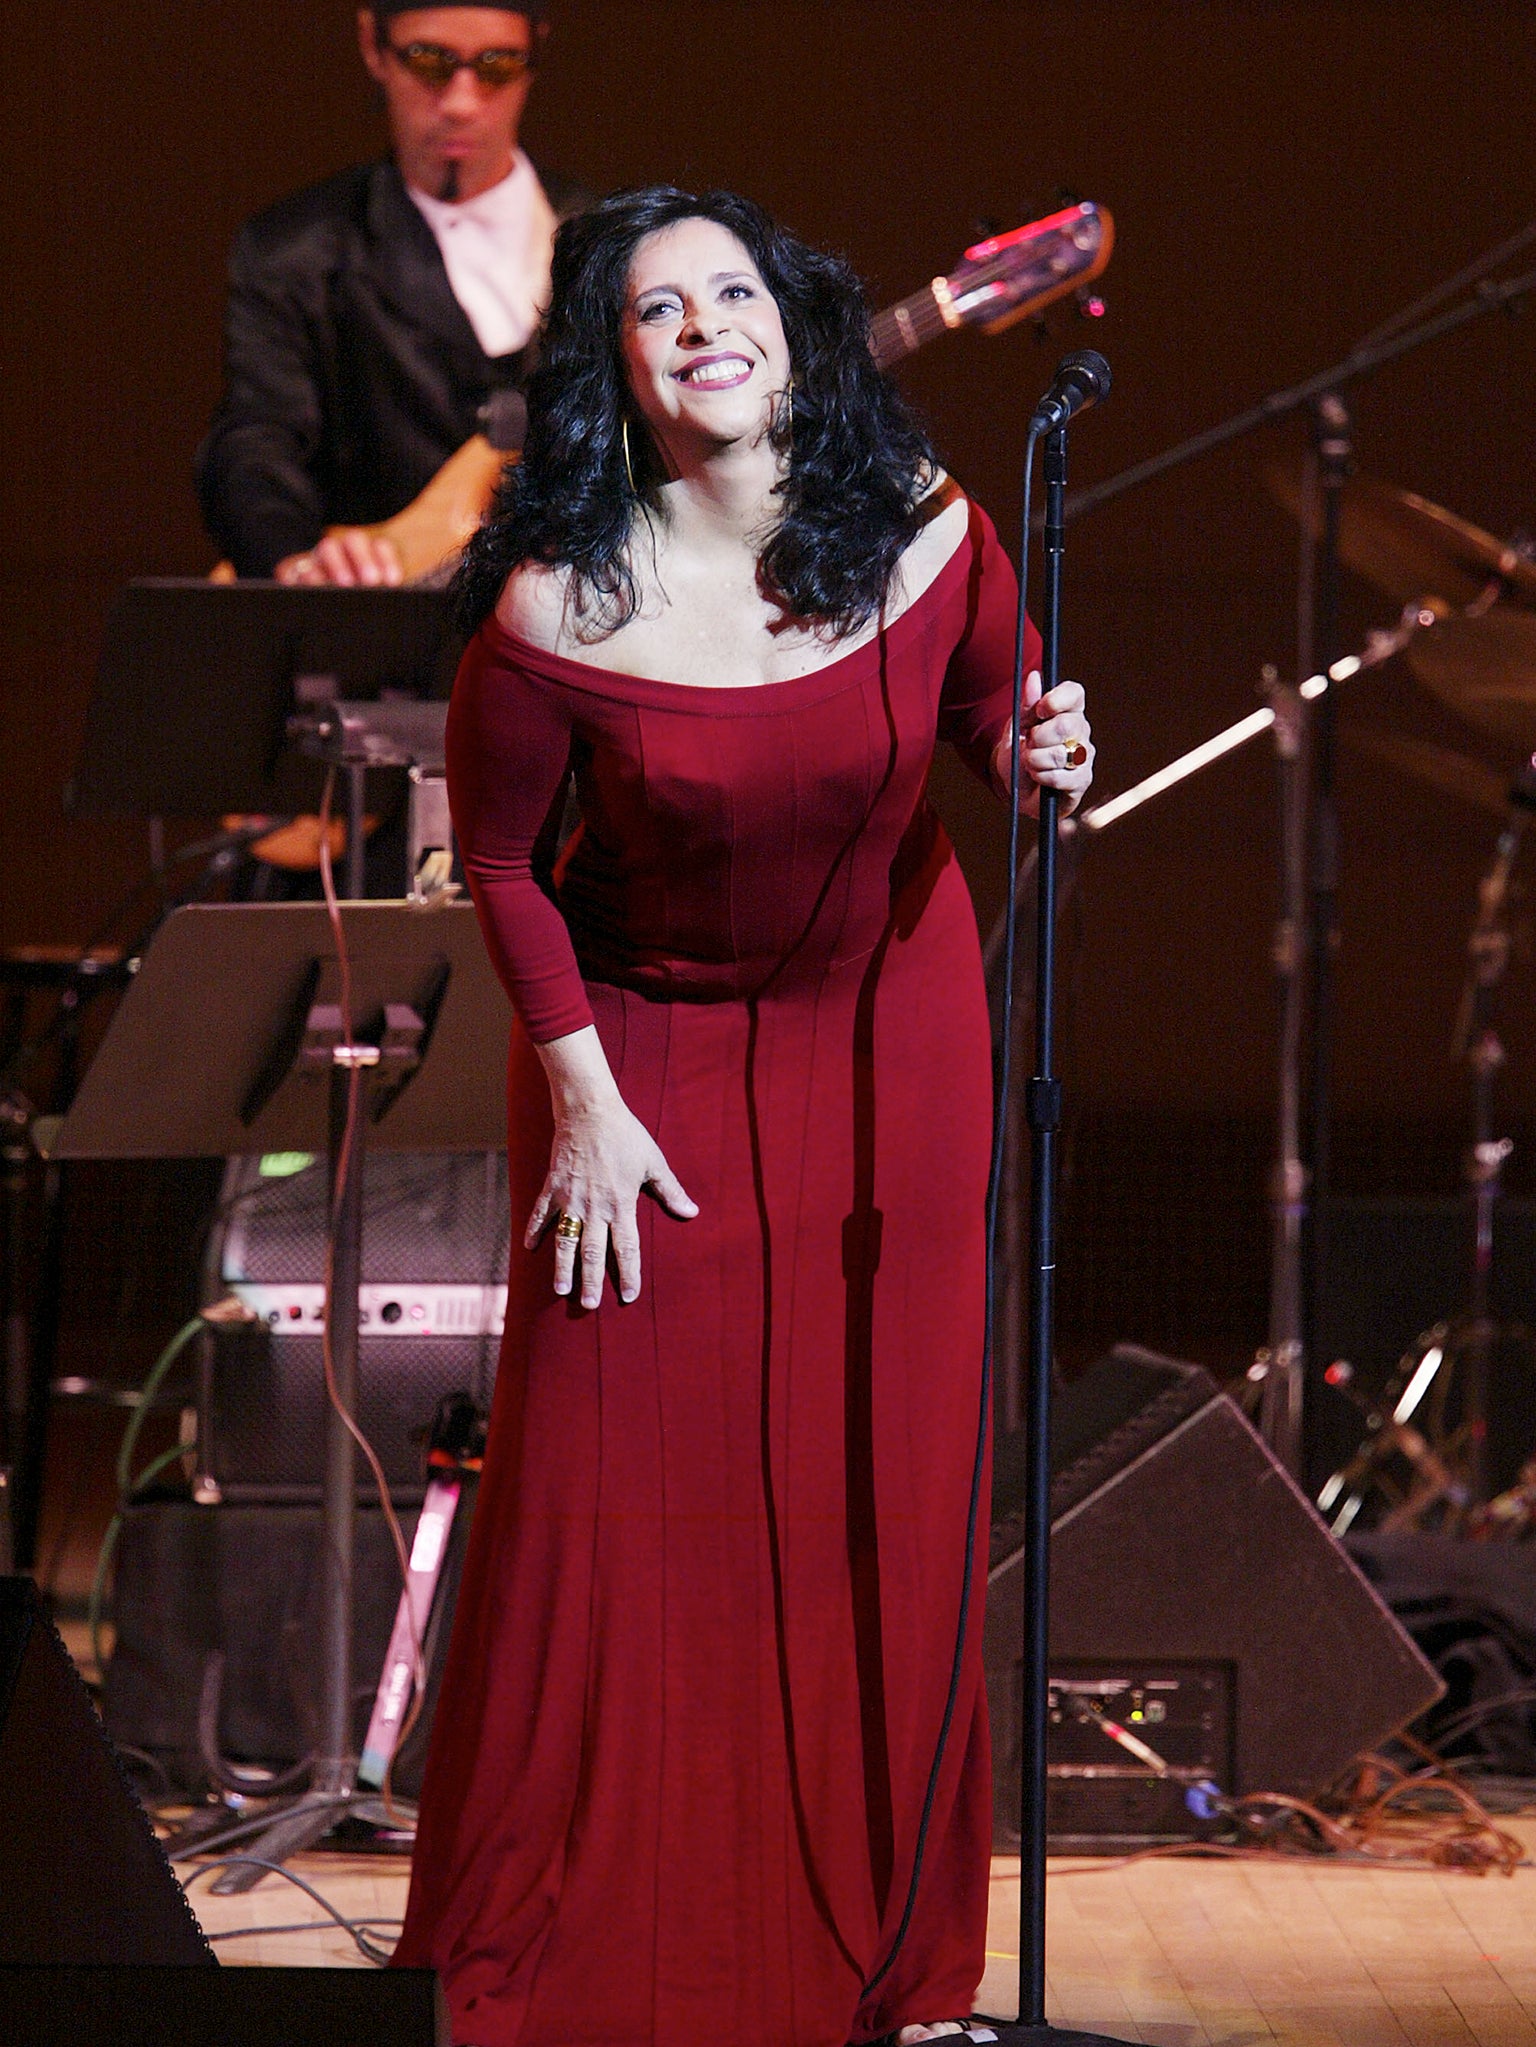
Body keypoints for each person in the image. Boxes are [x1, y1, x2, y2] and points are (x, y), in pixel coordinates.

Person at [392, 186, 1094, 2047]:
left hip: (890, 1036)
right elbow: (502, 862)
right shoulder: (558, 598)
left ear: (793, 326)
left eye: (732, 291)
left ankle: (884, 1952)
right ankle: (586, 1934)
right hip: (634, 1058)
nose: (703, 324)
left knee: (874, 1475)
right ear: (613, 367)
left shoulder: (929, 533)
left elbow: (995, 709)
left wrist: (1045, 739)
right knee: (616, 1496)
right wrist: (581, 1092)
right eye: (654, 308)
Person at [196, 3, 587, 584]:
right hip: (386, 625)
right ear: (373, 46)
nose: (461, 102)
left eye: (497, 65)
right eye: (429, 61)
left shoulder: (611, 244)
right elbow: (257, 442)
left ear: (536, 54)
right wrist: (298, 559)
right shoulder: (298, 251)